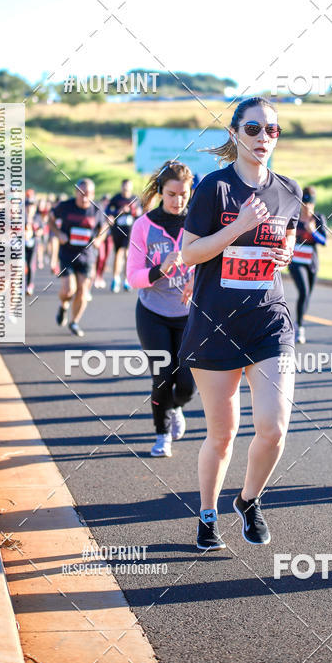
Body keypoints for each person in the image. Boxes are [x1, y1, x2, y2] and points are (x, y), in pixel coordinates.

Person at [180, 96, 302, 550]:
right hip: (215, 325)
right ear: (235, 133)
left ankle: (249, 500)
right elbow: (189, 254)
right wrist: (238, 227)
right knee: (223, 433)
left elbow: (281, 246)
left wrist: (285, 254)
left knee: (273, 427)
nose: (263, 138)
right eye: (253, 129)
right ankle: (208, 512)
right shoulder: (214, 187)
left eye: (272, 130)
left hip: (269, 321)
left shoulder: (289, 190)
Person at [126, 162, 195, 458]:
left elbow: (212, 260)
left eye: (183, 194)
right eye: (171, 194)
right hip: (153, 313)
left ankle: (176, 406)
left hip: (188, 314)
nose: (178, 201)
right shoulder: (143, 226)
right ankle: (161, 435)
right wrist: (160, 270)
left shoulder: (198, 222)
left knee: (188, 385)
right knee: (162, 376)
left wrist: (196, 279)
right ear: (160, 192)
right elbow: (133, 277)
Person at [48, 179, 105, 337]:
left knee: (82, 291)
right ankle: (63, 305)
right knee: (69, 289)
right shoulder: (65, 206)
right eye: (81, 193)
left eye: (88, 194)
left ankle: (74, 322)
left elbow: (104, 227)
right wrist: (59, 234)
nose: (84, 197)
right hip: (67, 254)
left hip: (87, 257)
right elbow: (50, 220)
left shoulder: (97, 209)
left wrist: (99, 239)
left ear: (93, 194)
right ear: (76, 193)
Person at [288, 185, 327, 344]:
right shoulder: (294, 217)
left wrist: (313, 232)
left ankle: (298, 322)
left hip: (311, 262)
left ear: (314, 204)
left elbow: (324, 241)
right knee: (303, 291)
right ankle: (300, 328)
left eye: (309, 204)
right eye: (304, 204)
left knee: (307, 296)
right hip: (296, 261)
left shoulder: (318, 218)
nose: (307, 207)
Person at [107, 180, 142, 292]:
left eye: (128, 187)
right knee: (118, 253)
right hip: (117, 230)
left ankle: (126, 280)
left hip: (130, 231)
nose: (126, 189)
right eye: (124, 186)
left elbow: (140, 213)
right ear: (121, 187)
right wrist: (118, 211)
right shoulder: (116, 198)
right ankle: (116, 279)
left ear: (131, 187)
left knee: (125, 253)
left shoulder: (135, 199)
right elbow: (108, 210)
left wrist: (134, 211)